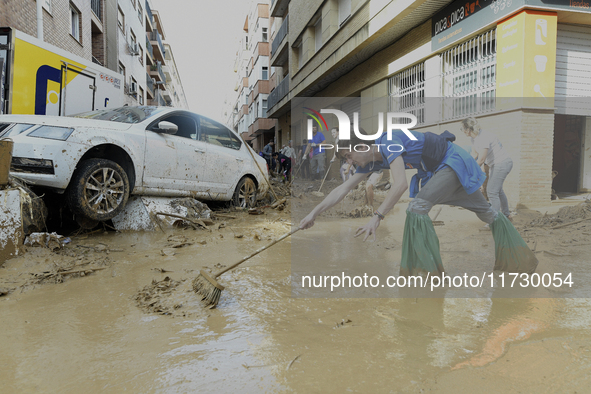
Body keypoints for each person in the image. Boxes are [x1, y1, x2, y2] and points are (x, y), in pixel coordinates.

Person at [299, 129, 537, 277]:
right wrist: (313, 214)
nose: (349, 163)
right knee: (488, 214)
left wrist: (377, 217)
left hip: (452, 161)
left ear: (361, 147)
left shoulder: (388, 142)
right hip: (442, 168)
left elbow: (401, 184)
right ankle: (521, 262)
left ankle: (427, 275)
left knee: (417, 206)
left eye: (348, 156)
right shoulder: (371, 162)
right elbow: (343, 188)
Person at [461, 117, 513, 220]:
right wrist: (466, 164)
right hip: (495, 164)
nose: (462, 131)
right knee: (498, 190)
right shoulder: (474, 138)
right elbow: (475, 153)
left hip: (502, 163)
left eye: (462, 129)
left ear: (468, 129)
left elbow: (481, 159)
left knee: (492, 191)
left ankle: (494, 220)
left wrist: (470, 170)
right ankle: (507, 215)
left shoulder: (483, 137)